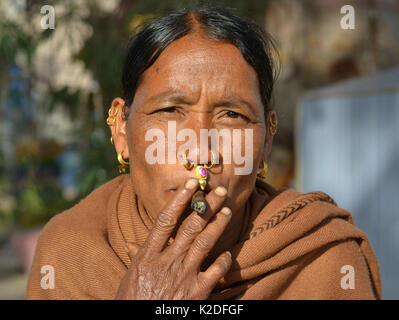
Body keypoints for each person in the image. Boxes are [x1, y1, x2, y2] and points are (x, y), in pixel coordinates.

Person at [26, 5, 381, 300]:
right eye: (169, 111)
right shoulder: (71, 253)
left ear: (266, 141)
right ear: (120, 128)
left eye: (232, 115)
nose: (201, 152)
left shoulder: (318, 259)